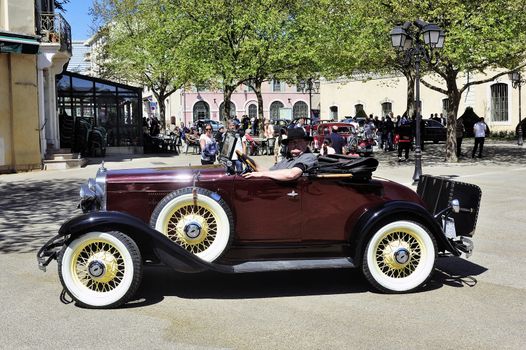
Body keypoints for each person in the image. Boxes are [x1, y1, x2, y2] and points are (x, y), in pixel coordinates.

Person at [243, 128, 317, 181]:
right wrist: (254, 164)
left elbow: (292, 174)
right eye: (291, 142)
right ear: (288, 145)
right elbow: (270, 172)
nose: (295, 145)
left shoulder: (308, 157)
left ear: (306, 143)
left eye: (299, 142)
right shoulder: (287, 159)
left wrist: (262, 174)